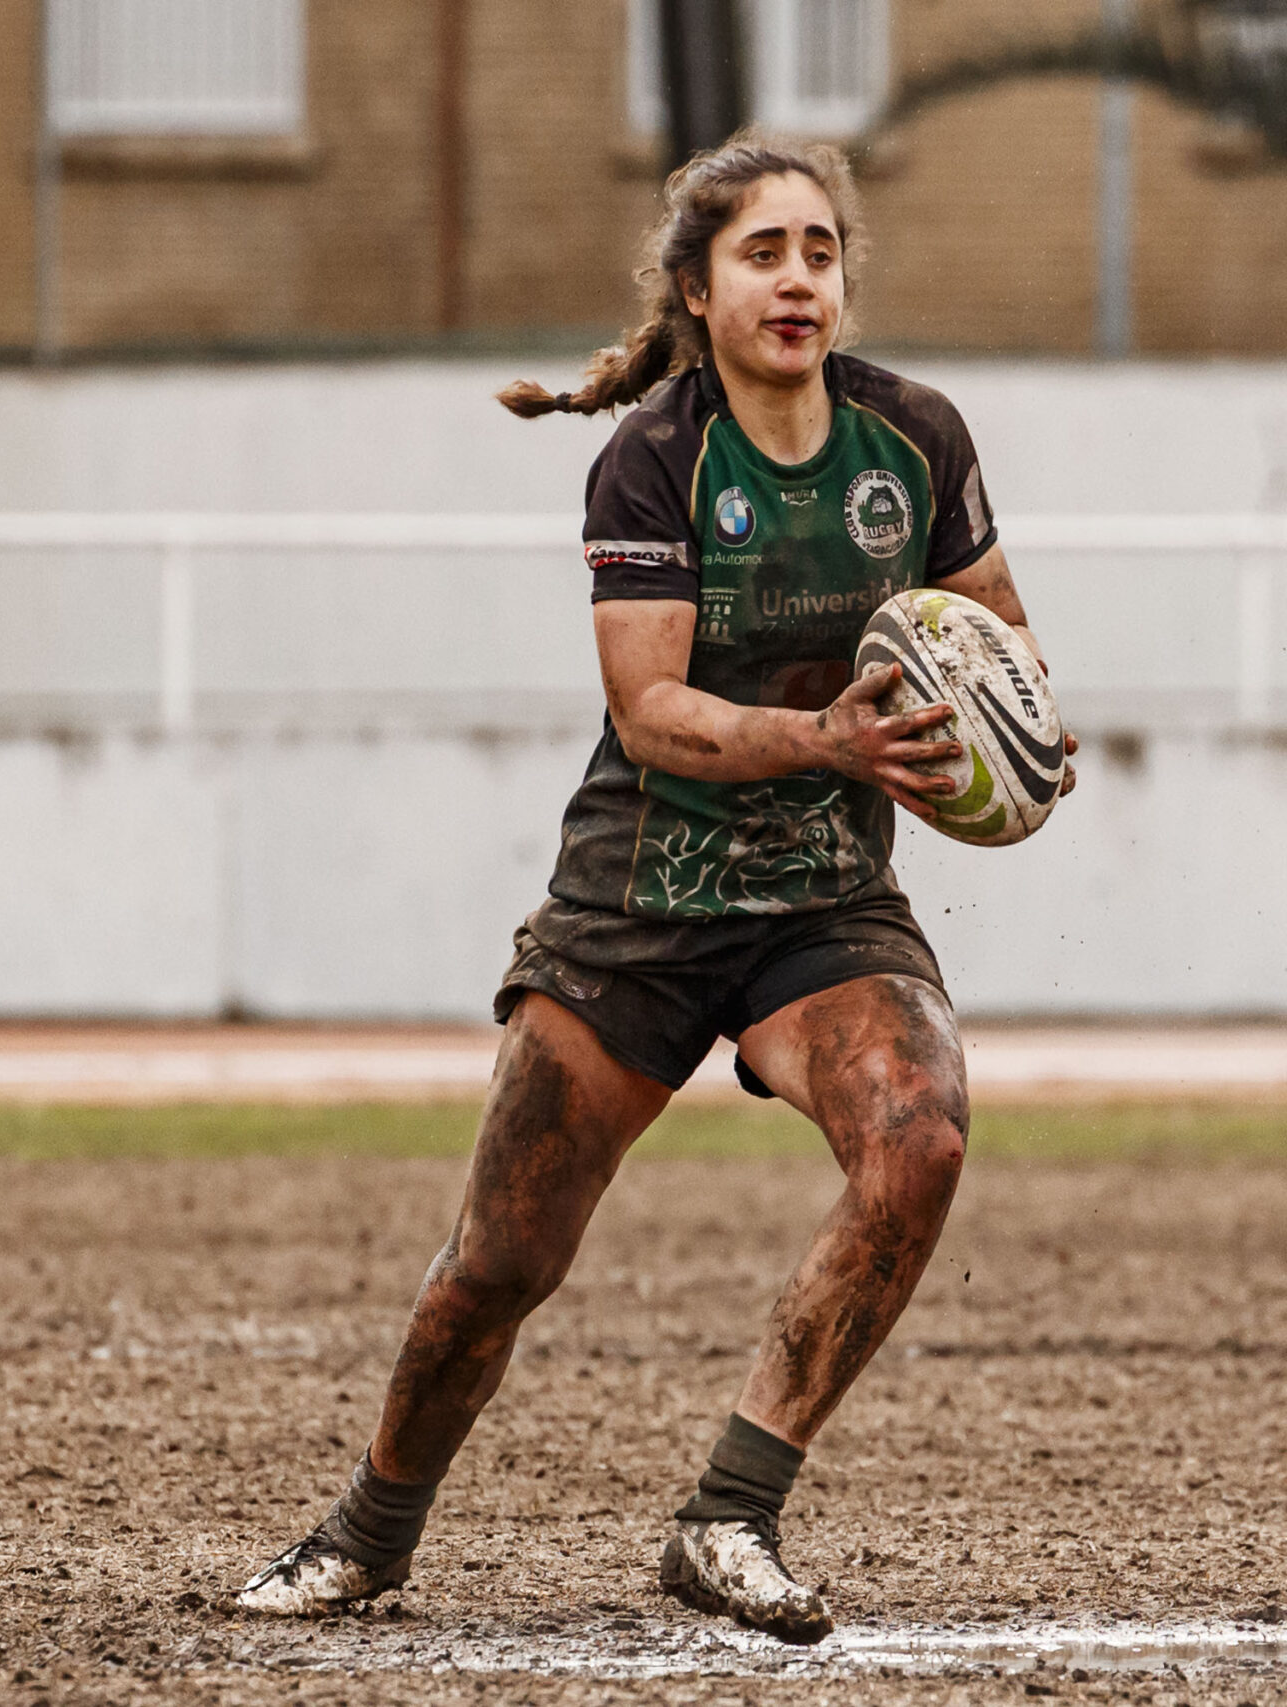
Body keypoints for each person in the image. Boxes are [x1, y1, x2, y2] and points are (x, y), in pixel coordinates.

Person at [236, 134, 1076, 1640]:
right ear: (698, 289)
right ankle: (367, 1532)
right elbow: (653, 712)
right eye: (764, 253)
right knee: (502, 1261)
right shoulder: (656, 454)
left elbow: (993, 637)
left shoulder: (917, 443)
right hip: (641, 897)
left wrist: (1014, 744)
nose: (799, 279)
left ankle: (729, 1518)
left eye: (821, 251)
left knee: (922, 1135)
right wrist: (831, 733)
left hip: (820, 903)